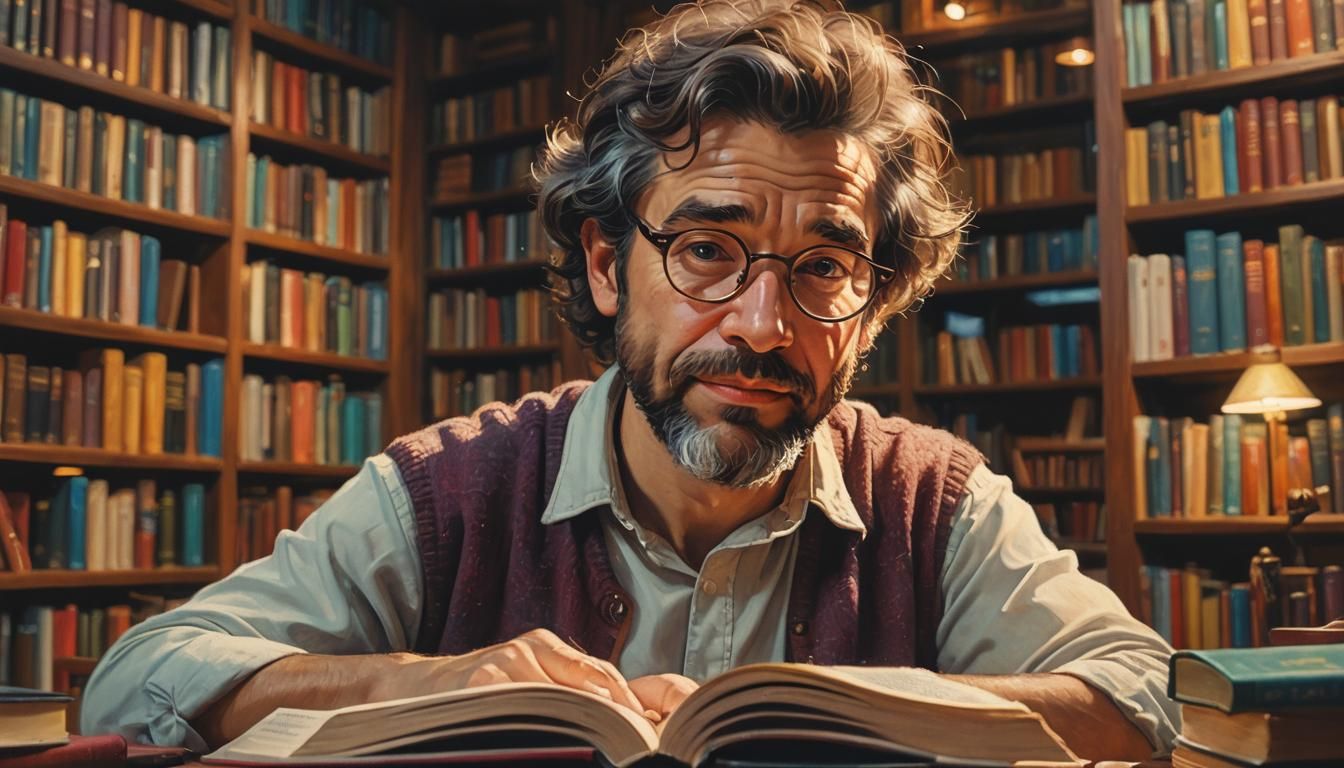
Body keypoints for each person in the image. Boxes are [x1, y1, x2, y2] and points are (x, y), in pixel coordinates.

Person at [81, 0, 1179, 760]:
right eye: (708, 249)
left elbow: (1136, 693)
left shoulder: (932, 500)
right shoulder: (447, 491)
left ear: (873, 306)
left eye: (825, 268)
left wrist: (837, 710)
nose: (761, 324)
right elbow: (143, 675)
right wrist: (415, 684)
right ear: (609, 265)